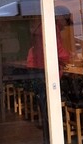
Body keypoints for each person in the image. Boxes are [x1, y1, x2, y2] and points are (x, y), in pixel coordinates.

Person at [26, 9, 71, 143]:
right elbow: (57, 50)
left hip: (36, 70)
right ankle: (54, 137)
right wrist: (70, 57)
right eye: (66, 20)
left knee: (44, 107)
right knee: (50, 106)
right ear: (60, 17)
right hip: (44, 71)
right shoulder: (51, 27)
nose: (66, 25)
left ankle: (49, 138)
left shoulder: (40, 27)